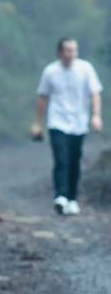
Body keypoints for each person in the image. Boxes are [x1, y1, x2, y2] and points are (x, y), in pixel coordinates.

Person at [31, 38, 103, 215]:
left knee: (74, 160)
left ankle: (72, 198)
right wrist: (37, 123)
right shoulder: (51, 71)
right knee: (61, 158)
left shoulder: (85, 69)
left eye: (75, 50)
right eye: (68, 50)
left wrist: (96, 115)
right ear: (60, 52)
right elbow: (42, 98)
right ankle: (61, 196)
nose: (72, 54)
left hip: (79, 123)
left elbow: (95, 93)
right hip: (57, 121)